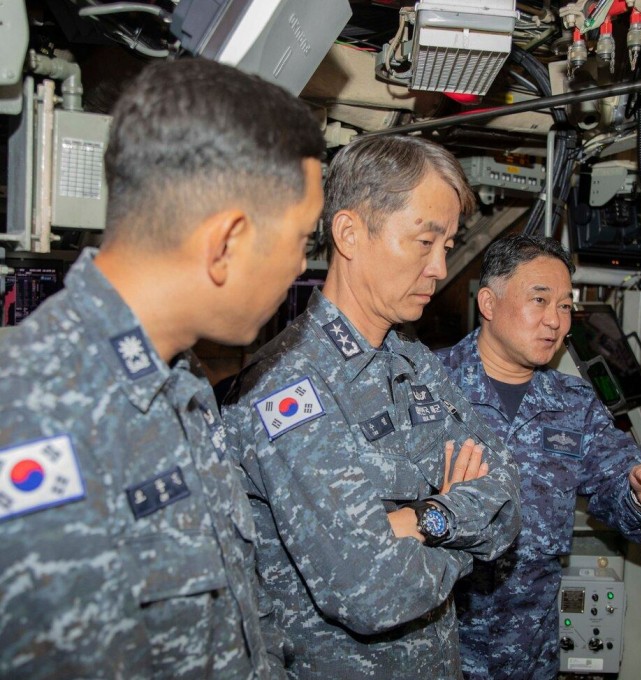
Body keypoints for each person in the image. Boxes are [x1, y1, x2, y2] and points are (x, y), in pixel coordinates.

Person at [0, 57, 325, 678]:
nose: (298, 269)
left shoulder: (182, 382)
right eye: (300, 240)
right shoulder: (30, 417)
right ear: (225, 243)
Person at [220, 135, 522, 680]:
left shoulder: (413, 364)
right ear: (350, 233)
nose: (439, 268)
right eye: (425, 242)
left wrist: (423, 520)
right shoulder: (287, 389)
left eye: (448, 246)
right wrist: (454, 520)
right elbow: (371, 589)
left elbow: (506, 502)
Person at [436, 233, 641, 680]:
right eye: (539, 300)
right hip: (442, 648)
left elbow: (618, 478)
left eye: (564, 306)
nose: (556, 322)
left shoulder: (572, 401)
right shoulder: (428, 387)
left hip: (531, 654)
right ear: (488, 302)